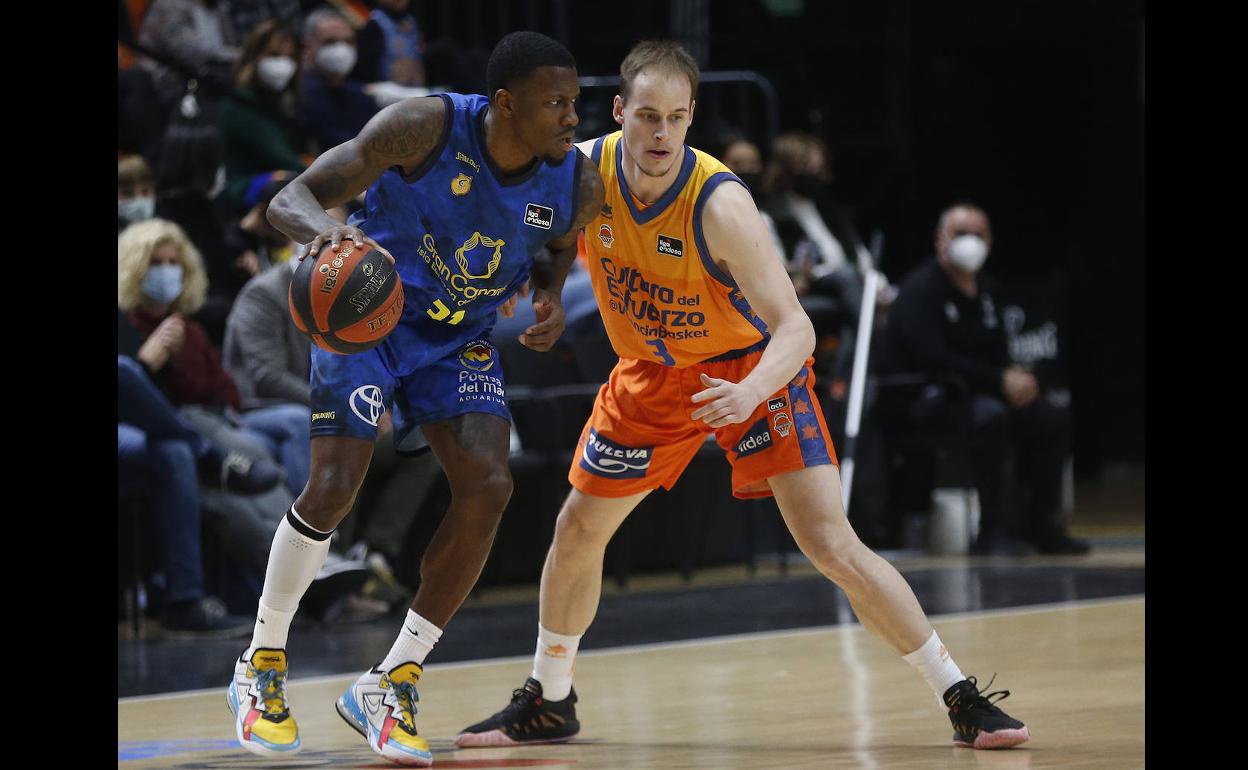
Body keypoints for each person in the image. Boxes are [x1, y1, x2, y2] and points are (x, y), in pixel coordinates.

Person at [454, 41, 1030, 753]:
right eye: (646, 117)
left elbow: (798, 327)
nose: (660, 135)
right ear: (618, 112)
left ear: (692, 117)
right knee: (577, 529)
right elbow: (568, 235)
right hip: (649, 373)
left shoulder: (721, 205)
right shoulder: (584, 170)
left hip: (749, 368)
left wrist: (749, 391)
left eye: (675, 118)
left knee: (830, 545)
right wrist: (546, 293)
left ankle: (960, 695)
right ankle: (550, 697)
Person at [225, 31, 604, 765]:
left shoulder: (575, 181)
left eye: (575, 102)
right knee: (335, 483)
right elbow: (291, 200)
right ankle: (260, 664)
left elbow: (559, 247)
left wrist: (551, 296)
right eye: (555, 102)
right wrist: (338, 242)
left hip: (457, 336)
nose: (570, 117)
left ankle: (391, 679)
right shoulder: (424, 126)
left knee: (490, 487)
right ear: (504, 104)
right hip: (371, 315)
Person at [880, 203, 1089, 556]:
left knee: (1051, 418)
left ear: (991, 241)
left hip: (982, 394)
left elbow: (999, 354)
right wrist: (998, 381)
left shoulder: (990, 290)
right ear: (939, 240)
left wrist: (1019, 380)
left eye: (979, 235)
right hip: (929, 399)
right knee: (990, 417)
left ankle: (1043, 525)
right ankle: (992, 531)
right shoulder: (920, 290)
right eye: (961, 234)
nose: (970, 242)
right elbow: (933, 360)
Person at [218, 19, 309, 214]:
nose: (283, 64)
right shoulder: (241, 102)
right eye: (273, 55)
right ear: (253, 57)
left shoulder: (284, 101)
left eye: (290, 57)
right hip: (243, 190)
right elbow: (280, 158)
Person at [297, 8, 380, 154]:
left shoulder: (360, 94)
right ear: (306, 47)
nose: (341, 50)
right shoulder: (299, 95)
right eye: (330, 42)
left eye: (349, 41)